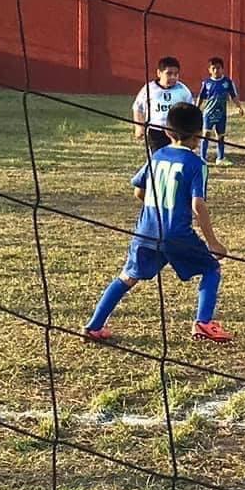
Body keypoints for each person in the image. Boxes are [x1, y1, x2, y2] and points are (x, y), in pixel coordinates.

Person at [83, 102, 232, 343]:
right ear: (200, 133)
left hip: (147, 231)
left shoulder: (157, 155)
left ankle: (94, 326)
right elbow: (197, 205)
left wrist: (157, 206)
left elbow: (138, 191)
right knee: (211, 268)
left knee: (127, 277)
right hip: (177, 234)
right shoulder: (197, 165)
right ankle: (203, 323)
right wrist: (213, 242)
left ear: (167, 132)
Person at [132, 56, 195, 154]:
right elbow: (138, 108)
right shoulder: (149, 89)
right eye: (169, 74)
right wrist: (139, 127)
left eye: (176, 74)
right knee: (158, 156)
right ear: (159, 73)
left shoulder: (183, 91)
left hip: (177, 132)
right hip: (156, 131)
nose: (173, 77)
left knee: (176, 155)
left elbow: (191, 111)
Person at [198, 56, 244, 166]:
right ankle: (202, 158)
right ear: (209, 70)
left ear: (222, 69)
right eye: (213, 68)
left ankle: (220, 157)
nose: (216, 71)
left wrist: (239, 107)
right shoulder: (207, 83)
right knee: (206, 135)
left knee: (221, 136)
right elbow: (201, 96)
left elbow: (233, 95)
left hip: (221, 114)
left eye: (218, 68)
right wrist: (197, 108)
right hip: (208, 113)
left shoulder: (227, 82)